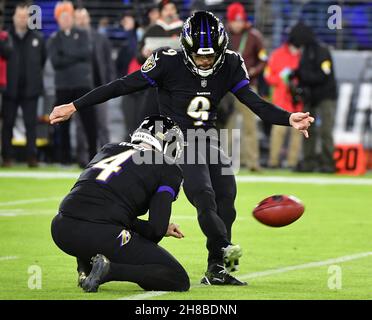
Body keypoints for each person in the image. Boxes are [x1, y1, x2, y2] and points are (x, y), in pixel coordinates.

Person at [49, 11, 314, 286]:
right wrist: (75, 105)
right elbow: (122, 86)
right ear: (186, 49)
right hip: (176, 142)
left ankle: (217, 268)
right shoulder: (168, 61)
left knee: (227, 198)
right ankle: (224, 248)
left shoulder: (232, 63)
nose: (205, 61)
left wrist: (287, 118)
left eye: (211, 56)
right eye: (199, 55)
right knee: (204, 195)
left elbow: (254, 102)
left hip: (208, 138)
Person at [51, 115, 189, 292]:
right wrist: (158, 227)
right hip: (101, 232)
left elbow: (92, 200)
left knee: (98, 214)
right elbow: (155, 231)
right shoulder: (168, 168)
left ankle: (85, 264)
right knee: (177, 278)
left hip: (62, 228)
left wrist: (139, 225)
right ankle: (108, 271)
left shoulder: (108, 148)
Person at [47, 1, 97, 165]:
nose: (66, 20)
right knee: (62, 125)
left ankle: (93, 156)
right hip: (63, 86)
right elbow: (56, 61)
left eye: (68, 16)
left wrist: (66, 54)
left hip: (82, 85)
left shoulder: (82, 34)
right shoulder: (54, 38)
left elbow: (86, 53)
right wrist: (75, 56)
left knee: (89, 123)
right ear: (58, 19)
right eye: (62, 17)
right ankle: (65, 158)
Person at [1, 3, 46, 168]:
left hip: (30, 90)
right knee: (8, 124)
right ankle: (6, 158)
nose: (22, 19)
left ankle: (31, 158)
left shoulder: (37, 38)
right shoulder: (5, 37)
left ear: (29, 18)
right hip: (9, 89)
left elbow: (42, 60)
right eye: (19, 16)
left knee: (31, 125)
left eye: (25, 16)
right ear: (14, 17)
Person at [225, 2, 268, 172]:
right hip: (226, 89)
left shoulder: (253, 36)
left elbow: (264, 59)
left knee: (250, 127)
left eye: (240, 20)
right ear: (229, 21)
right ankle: (222, 163)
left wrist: (253, 71)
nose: (238, 24)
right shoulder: (223, 36)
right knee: (227, 126)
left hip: (248, 87)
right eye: (235, 21)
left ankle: (253, 163)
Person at [289, 23, 337, 173]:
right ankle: (309, 162)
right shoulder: (306, 52)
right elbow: (305, 72)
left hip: (325, 96)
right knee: (307, 129)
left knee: (325, 130)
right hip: (311, 97)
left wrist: (302, 76)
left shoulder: (322, 51)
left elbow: (324, 75)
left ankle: (328, 163)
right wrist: (295, 74)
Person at [74, 8, 115, 166]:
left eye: (84, 17)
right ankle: (83, 159)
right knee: (81, 127)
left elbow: (108, 63)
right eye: (79, 18)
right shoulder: (73, 39)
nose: (82, 20)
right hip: (81, 90)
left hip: (100, 88)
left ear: (89, 18)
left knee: (103, 125)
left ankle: (107, 156)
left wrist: (111, 85)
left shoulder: (100, 38)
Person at [264, 36, 304, 169]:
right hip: (280, 102)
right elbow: (268, 75)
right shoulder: (277, 54)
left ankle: (292, 162)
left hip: (297, 101)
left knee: (297, 133)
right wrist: (281, 79)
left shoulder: (303, 55)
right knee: (277, 133)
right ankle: (273, 161)